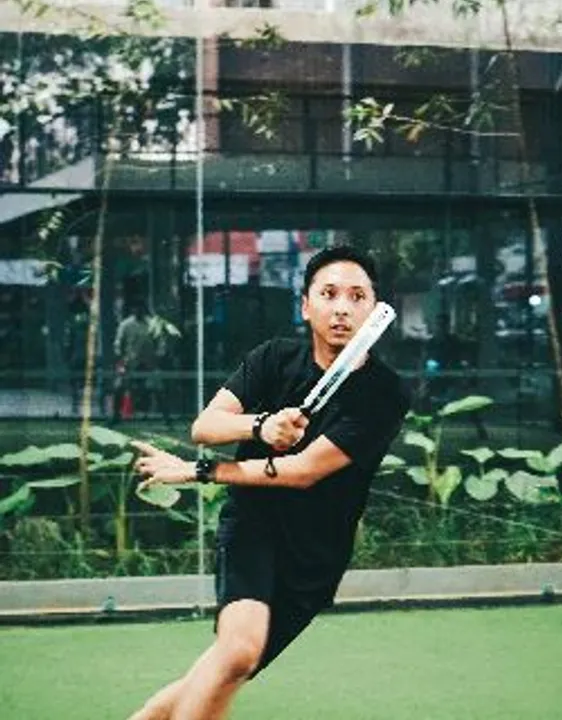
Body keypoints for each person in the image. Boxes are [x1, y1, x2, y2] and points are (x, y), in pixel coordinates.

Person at [129, 245, 410, 720]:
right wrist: (260, 426)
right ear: (306, 306)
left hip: (317, 556)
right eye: (329, 294)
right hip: (254, 525)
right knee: (238, 652)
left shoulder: (385, 393)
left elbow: (303, 471)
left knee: (224, 667)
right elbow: (206, 426)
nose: (342, 308)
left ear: (373, 309)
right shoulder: (274, 359)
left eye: (357, 296)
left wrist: (200, 471)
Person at [112, 299, 157, 421]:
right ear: (133, 310)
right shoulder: (125, 325)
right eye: (136, 308)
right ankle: (116, 415)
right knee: (119, 387)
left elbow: (159, 342)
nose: (139, 310)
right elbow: (118, 344)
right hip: (130, 364)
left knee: (158, 388)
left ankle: (166, 419)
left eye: (141, 308)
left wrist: (157, 357)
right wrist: (121, 360)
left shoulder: (152, 324)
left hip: (149, 364)